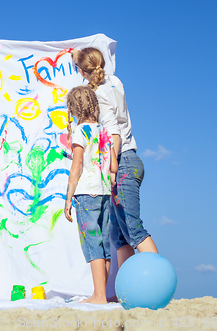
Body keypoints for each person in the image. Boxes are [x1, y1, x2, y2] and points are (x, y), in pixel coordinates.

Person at [71, 48, 158, 271]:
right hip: (130, 160)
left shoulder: (98, 93)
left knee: (133, 229)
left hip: (122, 161)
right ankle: (126, 290)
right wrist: (78, 57)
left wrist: (112, 166)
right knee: (119, 235)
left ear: (82, 71)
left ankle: (158, 279)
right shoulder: (115, 81)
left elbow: (114, 133)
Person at [64, 86, 118, 304]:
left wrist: (68, 197)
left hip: (87, 192)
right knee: (104, 244)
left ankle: (99, 297)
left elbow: (76, 166)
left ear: (74, 109)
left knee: (93, 243)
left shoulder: (80, 131)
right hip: (105, 192)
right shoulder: (104, 131)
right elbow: (113, 165)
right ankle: (101, 294)